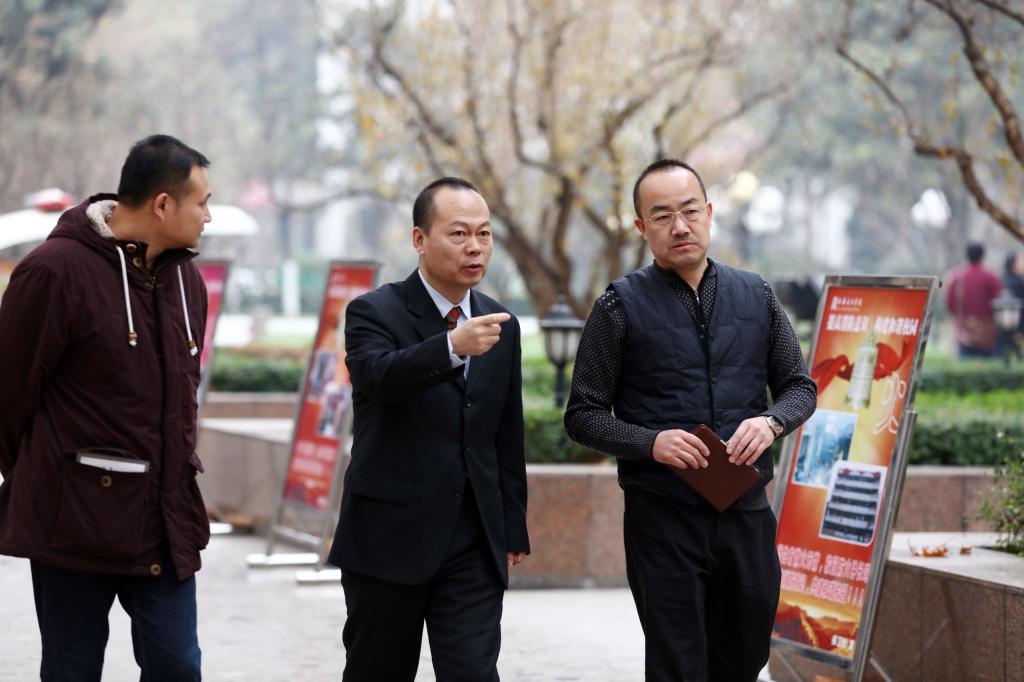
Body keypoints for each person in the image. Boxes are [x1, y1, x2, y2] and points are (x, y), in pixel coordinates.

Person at [565, 159, 817, 682]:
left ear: (709, 213)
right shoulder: (618, 306)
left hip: (746, 510)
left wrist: (771, 422)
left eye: (690, 211)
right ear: (642, 227)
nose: (679, 226)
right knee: (678, 665)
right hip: (663, 517)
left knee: (745, 655)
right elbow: (583, 415)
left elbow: (800, 387)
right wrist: (650, 443)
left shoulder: (757, 294)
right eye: (662, 216)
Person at [0, 134, 212, 681]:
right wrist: (46, 479)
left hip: (164, 519)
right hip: (72, 523)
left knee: (177, 667)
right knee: (71, 669)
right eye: (201, 202)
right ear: (162, 204)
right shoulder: (53, 271)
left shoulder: (187, 281)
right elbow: (8, 395)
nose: (208, 216)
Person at [327, 177, 529, 681]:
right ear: (420, 239)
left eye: (484, 234)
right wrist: (451, 346)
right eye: (459, 233)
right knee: (378, 671)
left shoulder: (500, 323)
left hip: (473, 539)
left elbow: (506, 431)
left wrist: (512, 524)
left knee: (473, 673)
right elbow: (378, 378)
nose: (474, 247)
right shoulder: (374, 310)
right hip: (390, 535)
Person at [945, 242, 1003, 358]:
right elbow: (999, 302)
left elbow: (950, 304)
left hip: (964, 332)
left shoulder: (957, 277)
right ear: (983, 257)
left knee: (965, 366)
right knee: (987, 366)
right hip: (987, 333)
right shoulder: (991, 277)